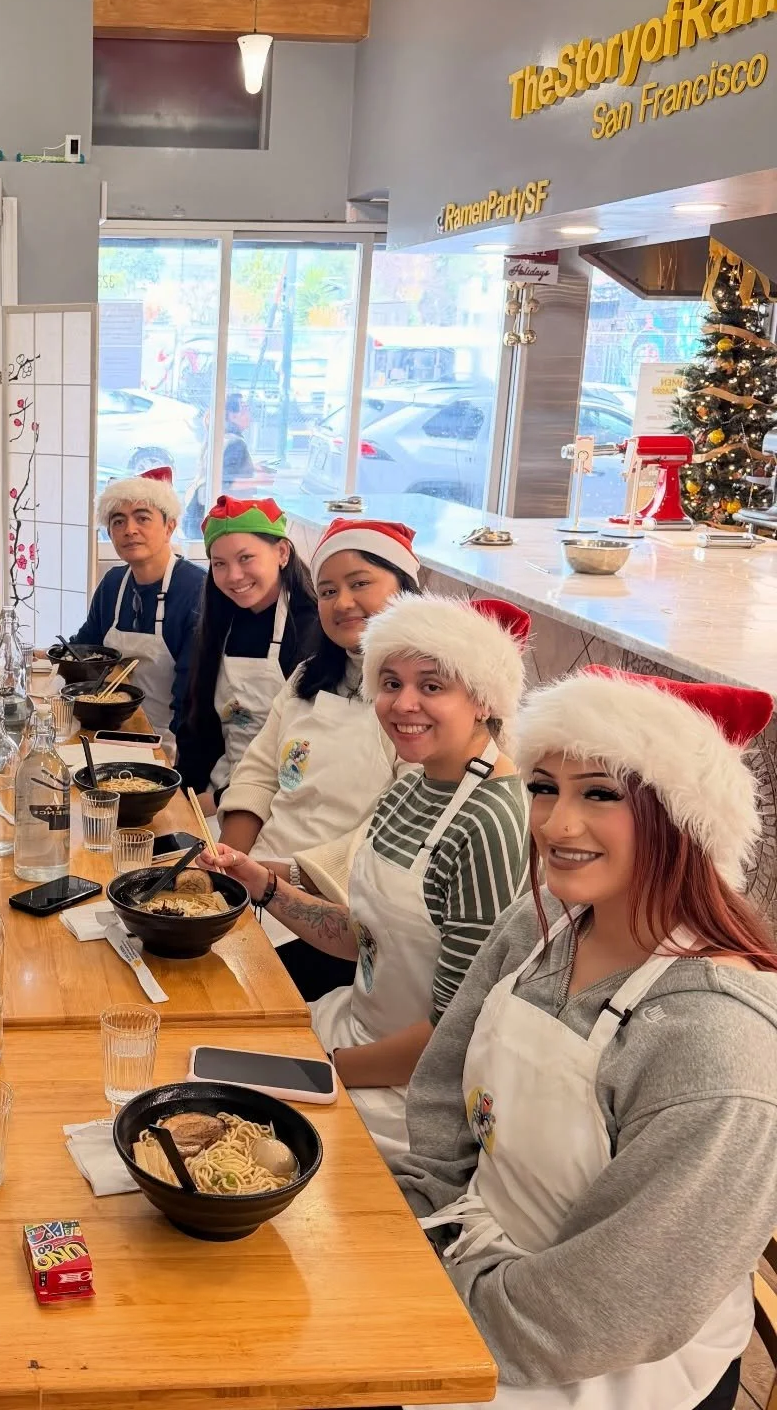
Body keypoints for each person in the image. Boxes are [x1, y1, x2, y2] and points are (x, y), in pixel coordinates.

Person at [397, 667, 777, 1410]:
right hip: (468, 1261)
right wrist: (416, 1228)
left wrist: (432, 1302)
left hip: (598, 1356)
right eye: (544, 787)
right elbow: (443, 1099)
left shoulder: (716, 1043)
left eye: (600, 793)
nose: (556, 824)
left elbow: (612, 1307)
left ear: (682, 813)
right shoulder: (541, 926)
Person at [203, 595, 530, 1161]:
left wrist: (324, 1071)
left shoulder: (493, 819)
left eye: (432, 687)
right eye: (390, 682)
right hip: (347, 1025)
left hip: (408, 1092)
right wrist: (260, 882)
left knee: (231, 1140)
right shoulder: (410, 789)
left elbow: (454, 1033)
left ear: (483, 699)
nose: (404, 704)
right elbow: (364, 938)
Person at [219, 519, 422, 1000]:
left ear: (406, 588)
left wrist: (269, 879)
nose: (342, 603)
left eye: (360, 584)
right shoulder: (310, 674)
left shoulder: (420, 703)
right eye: (328, 591)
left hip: (335, 913)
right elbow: (259, 774)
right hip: (257, 882)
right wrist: (227, 876)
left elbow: (390, 837)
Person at [176, 497, 320, 814]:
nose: (234, 576)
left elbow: (305, 749)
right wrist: (182, 792)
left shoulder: (312, 629)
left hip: (281, 801)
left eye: (246, 558)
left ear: (282, 552)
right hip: (219, 786)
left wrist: (222, 799)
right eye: (220, 564)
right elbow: (197, 722)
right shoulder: (219, 621)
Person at [70, 467, 205, 752]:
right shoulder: (113, 583)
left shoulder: (196, 589)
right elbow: (86, 647)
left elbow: (192, 693)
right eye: (118, 521)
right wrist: (49, 660)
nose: (129, 530)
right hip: (107, 730)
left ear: (170, 526)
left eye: (142, 518)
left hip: (167, 742)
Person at [181, 393, 261, 540]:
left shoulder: (219, 437)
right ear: (232, 416)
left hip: (196, 517)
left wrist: (252, 468)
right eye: (244, 409)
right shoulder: (236, 443)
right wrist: (260, 481)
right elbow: (224, 481)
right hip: (211, 522)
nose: (249, 413)